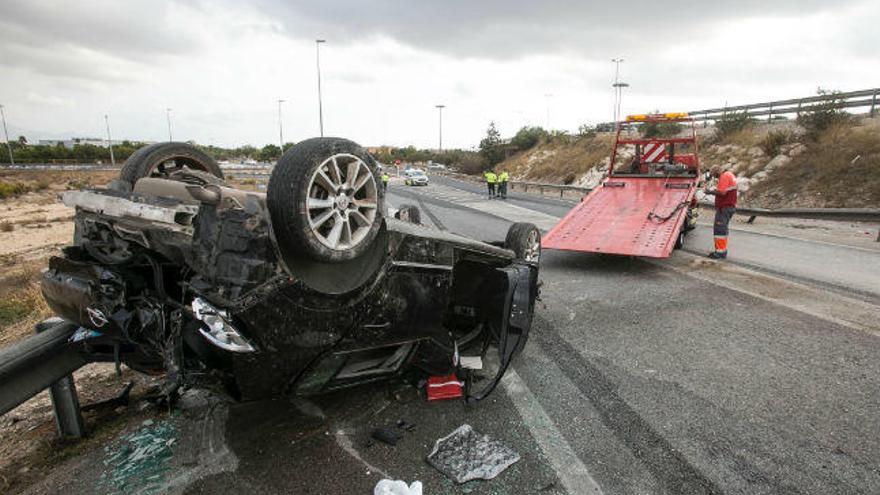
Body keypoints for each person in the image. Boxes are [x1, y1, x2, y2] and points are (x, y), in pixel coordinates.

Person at [704, 165, 737, 259]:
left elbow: (722, 192)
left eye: (715, 175)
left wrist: (710, 192)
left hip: (724, 207)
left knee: (719, 230)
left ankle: (719, 253)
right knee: (723, 229)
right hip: (729, 207)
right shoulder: (729, 174)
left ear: (717, 172)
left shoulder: (724, 176)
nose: (715, 178)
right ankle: (722, 250)